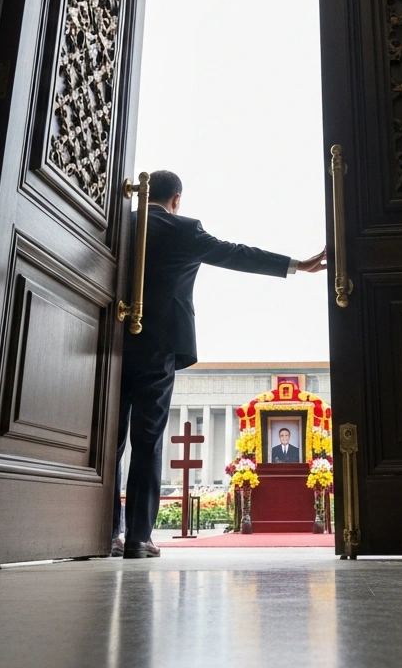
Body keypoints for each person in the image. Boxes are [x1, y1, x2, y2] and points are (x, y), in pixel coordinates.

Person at [111, 170, 325, 558]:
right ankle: (139, 538)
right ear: (177, 200)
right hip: (158, 346)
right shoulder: (184, 229)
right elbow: (237, 254)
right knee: (147, 440)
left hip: (106, 344)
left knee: (108, 440)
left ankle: (107, 533)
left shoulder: (117, 224)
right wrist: (298, 265)